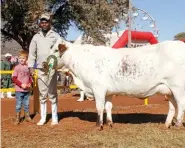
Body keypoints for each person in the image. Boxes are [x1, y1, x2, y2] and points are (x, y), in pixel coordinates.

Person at [28, 13, 60, 126]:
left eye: (46, 21)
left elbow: (61, 49)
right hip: (41, 69)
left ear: (49, 22)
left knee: (52, 93)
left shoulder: (56, 36)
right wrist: (31, 67)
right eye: (42, 22)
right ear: (40, 24)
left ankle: (55, 118)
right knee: (42, 94)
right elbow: (32, 53)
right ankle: (43, 118)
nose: (44, 23)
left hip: (52, 68)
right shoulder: (36, 37)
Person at [12, 50, 33, 125]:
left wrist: (30, 83)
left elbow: (30, 77)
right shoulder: (17, 67)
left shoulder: (28, 67)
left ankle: (27, 116)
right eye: (20, 58)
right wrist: (21, 84)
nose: (21, 59)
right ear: (18, 58)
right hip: (19, 90)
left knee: (26, 103)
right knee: (19, 104)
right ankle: (18, 117)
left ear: (26, 59)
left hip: (27, 90)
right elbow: (14, 78)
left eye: (23, 58)